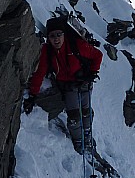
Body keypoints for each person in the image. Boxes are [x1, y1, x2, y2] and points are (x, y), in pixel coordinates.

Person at [24, 17, 103, 153]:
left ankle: (87, 136)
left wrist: (93, 72)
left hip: (84, 82)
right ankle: (79, 142)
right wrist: (33, 94)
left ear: (64, 35)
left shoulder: (76, 45)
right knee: (74, 116)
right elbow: (40, 72)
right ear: (48, 37)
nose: (56, 39)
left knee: (85, 112)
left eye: (59, 35)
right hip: (68, 86)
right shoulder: (47, 51)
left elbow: (98, 55)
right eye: (52, 36)